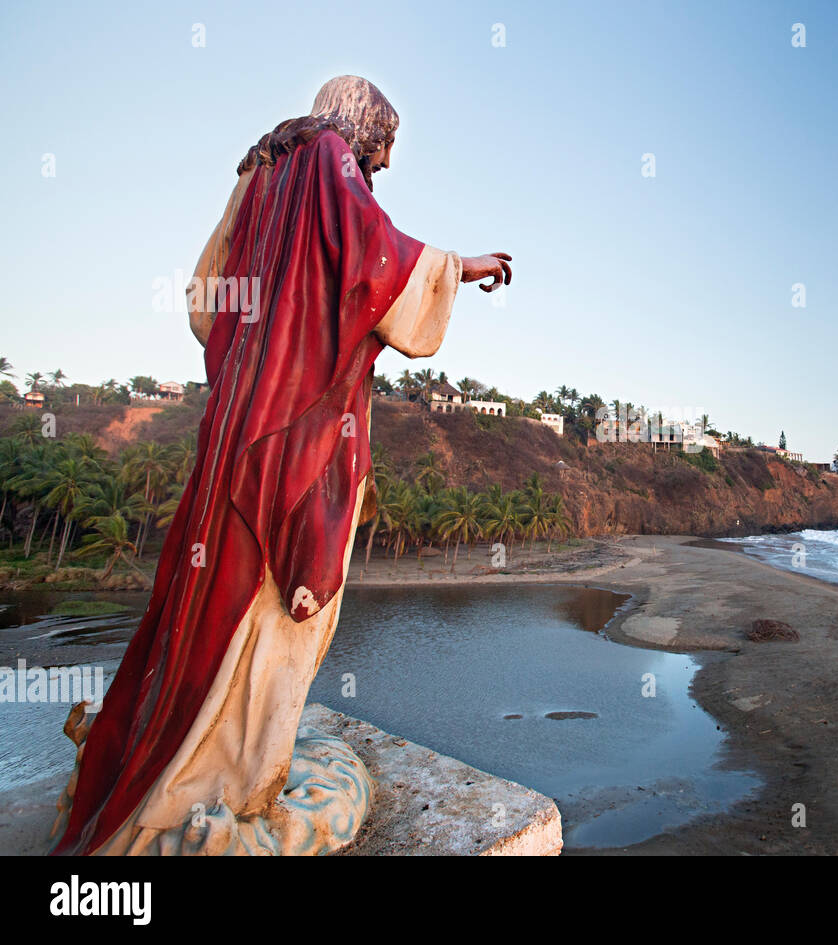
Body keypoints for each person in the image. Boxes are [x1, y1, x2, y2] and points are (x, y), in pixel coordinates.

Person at [51, 76, 510, 855]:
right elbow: (373, 258)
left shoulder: (259, 169)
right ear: (360, 127)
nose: (387, 162)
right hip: (290, 434)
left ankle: (176, 759)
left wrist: (262, 342)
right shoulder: (327, 156)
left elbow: (205, 299)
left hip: (236, 423)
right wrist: (459, 266)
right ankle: (228, 776)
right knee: (268, 609)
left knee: (212, 595)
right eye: (386, 142)